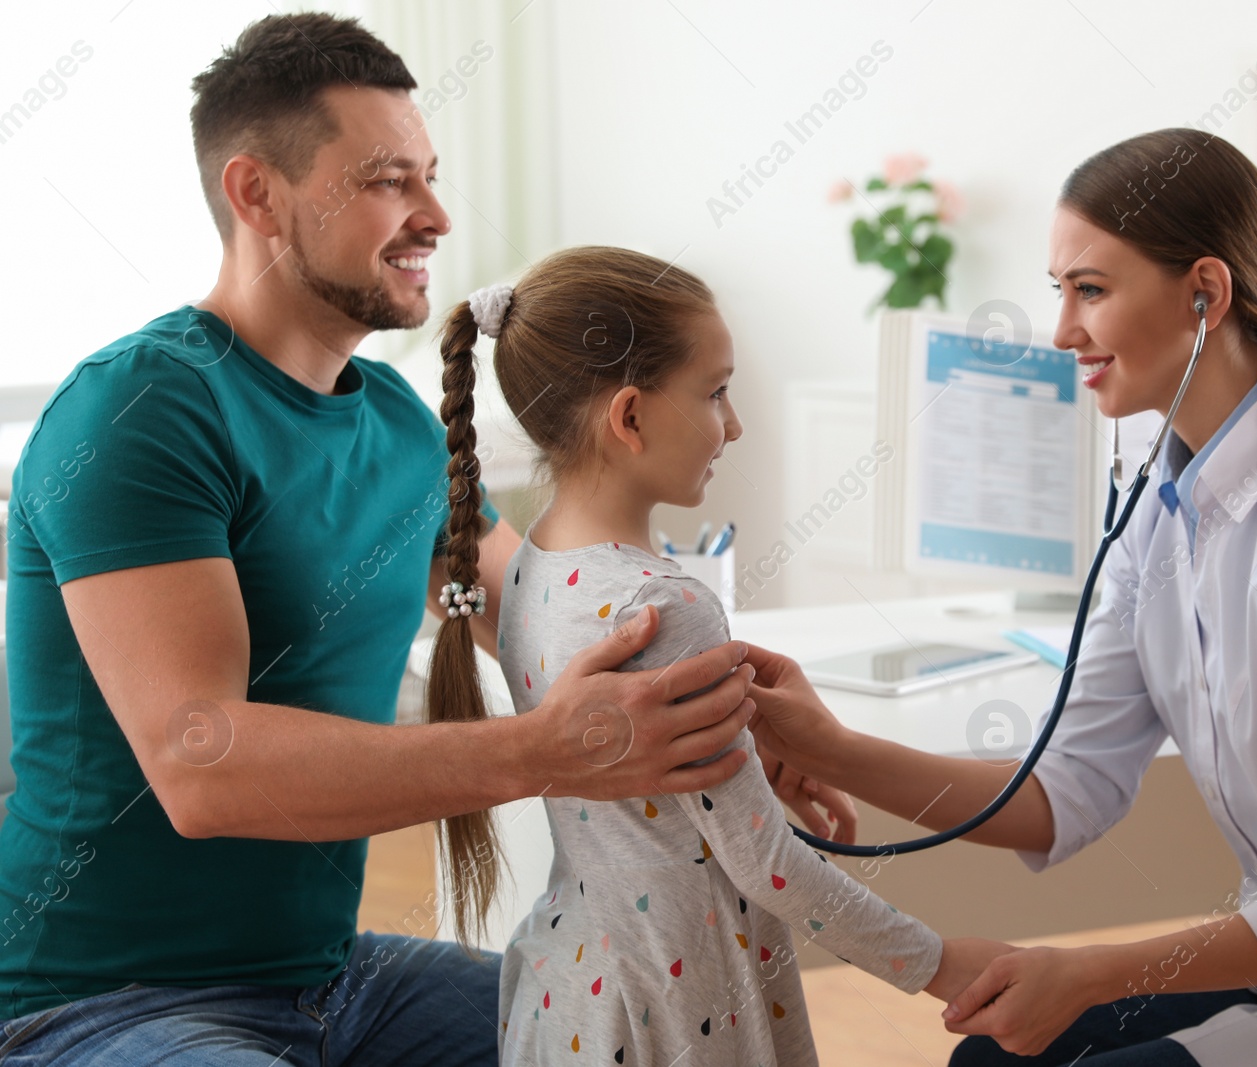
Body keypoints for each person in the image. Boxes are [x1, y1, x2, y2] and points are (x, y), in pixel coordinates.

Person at [0, 15, 793, 1065]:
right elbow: (204, 766)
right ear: (257, 194)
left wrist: (746, 725)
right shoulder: (146, 410)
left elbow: (536, 599)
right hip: (99, 999)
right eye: (387, 180)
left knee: (643, 1034)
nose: (435, 215)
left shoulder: (394, 424)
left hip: (328, 978)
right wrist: (540, 750)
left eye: (428, 175)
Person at [741, 129, 1257, 1066]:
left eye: (1092, 290)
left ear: (1206, 291)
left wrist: (1089, 970)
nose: (1064, 331)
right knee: (994, 1056)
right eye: (1059, 291)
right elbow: (1062, 793)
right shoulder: (1166, 504)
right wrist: (828, 746)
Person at [426, 246, 1011, 1065]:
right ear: (629, 418)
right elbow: (768, 863)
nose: (734, 424)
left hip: (574, 983)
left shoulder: (530, 570)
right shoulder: (665, 606)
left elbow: (640, 803)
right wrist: (942, 964)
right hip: (677, 996)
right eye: (716, 392)